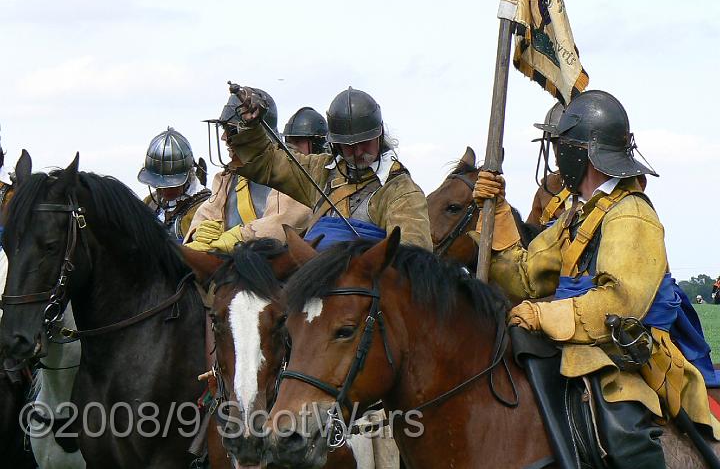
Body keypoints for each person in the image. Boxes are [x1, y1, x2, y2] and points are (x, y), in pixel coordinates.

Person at [473, 90, 720, 468]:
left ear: (582, 153)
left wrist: (543, 316)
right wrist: (500, 212)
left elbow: (618, 306)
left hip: (627, 355)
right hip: (578, 344)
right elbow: (523, 278)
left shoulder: (631, 212)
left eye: (564, 147)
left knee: (624, 432)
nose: (559, 157)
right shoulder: (578, 216)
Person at [221, 84, 432, 251]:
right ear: (335, 144)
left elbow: (410, 261)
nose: (357, 151)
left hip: (365, 295)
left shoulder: (403, 192)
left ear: (379, 135)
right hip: (315, 281)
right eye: (348, 145)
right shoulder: (321, 170)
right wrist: (252, 127)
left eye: (364, 142)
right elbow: (268, 162)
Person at [185, 88, 312, 252]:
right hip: (230, 265)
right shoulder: (226, 178)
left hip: (274, 266)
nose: (224, 137)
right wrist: (199, 233)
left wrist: (239, 237)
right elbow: (208, 214)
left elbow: (281, 224)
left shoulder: (287, 171)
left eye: (231, 130)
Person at [138, 127, 211, 242]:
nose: (162, 190)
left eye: (169, 184)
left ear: (188, 176)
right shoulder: (150, 202)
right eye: (158, 184)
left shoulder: (207, 208)